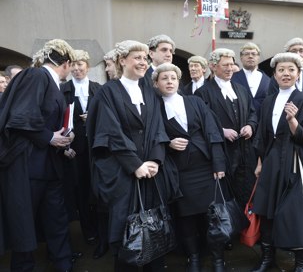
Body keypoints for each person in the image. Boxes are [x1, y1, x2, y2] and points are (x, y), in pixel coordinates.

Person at [86, 40, 179, 272]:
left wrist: (156, 160)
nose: (142, 62)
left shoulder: (149, 90)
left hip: (151, 172)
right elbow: (110, 132)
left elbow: (158, 127)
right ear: (122, 60)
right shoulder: (108, 92)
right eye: (137, 57)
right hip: (123, 174)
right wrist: (134, 164)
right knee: (127, 234)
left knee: (154, 230)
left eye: (145, 57)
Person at [0, 39, 76, 272]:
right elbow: (21, 118)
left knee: (57, 220)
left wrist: (64, 136)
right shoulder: (36, 76)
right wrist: (50, 138)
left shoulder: (51, 83)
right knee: (25, 223)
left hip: (48, 166)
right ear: (66, 63)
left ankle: (63, 264)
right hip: (28, 167)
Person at [251, 52, 303, 272]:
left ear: (298, 74)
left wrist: (293, 122)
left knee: (295, 214)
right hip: (272, 162)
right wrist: (260, 162)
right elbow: (262, 136)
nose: (286, 73)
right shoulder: (268, 101)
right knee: (266, 211)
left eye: (291, 70)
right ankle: (267, 258)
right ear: (274, 75)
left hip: (296, 164)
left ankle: (301, 263)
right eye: (281, 70)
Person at [153, 63, 227, 272]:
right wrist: (168, 143)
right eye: (164, 78)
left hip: (205, 168)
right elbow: (152, 136)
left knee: (212, 216)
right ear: (156, 83)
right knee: (186, 218)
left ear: (179, 81)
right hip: (179, 172)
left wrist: (218, 163)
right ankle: (193, 257)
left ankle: (218, 259)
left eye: (173, 78)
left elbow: (212, 131)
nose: (169, 81)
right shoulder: (155, 108)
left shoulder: (194, 102)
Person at [195, 48, 258, 210]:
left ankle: (247, 233)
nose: (230, 68)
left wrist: (250, 126)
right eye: (225, 65)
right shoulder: (203, 93)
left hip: (245, 152)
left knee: (247, 193)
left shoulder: (241, 89)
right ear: (213, 66)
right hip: (222, 153)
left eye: (232, 64)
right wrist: (221, 131)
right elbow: (200, 122)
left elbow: (253, 112)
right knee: (226, 197)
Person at [60, 49, 107, 259]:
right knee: (80, 190)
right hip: (74, 149)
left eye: (81, 65)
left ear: (88, 67)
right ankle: (88, 231)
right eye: (74, 65)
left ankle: (101, 231)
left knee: (98, 189)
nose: (77, 69)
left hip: (97, 147)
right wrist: (64, 146)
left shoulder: (98, 88)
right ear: (69, 67)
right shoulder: (63, 89)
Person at [231, 42, 271, 118]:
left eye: (253, 54)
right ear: (241, 57)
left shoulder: (268, 80)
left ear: (258, 57)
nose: (250, 56)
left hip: (262, 122)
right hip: (240, 121)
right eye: (246, 54)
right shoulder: (233, 78)